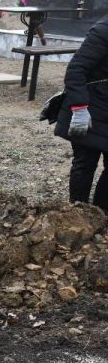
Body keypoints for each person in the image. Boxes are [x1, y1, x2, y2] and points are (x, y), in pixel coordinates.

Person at [55, 16, 108, 215]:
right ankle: (78, 214)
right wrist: (79, 108)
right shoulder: (104, 30)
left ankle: (101, 215)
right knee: (85, 164)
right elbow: (76, 70)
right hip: (90, 108)